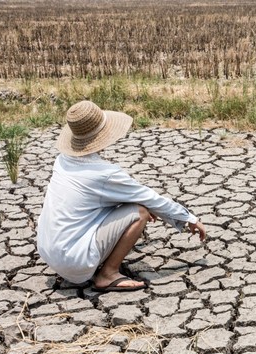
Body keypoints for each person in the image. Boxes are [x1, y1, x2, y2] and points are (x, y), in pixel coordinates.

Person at [37, 100, 206, 292]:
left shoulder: (62, 160)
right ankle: (108, 274)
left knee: (134, 204)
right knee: (140, 211)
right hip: (74, 261)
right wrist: (189, 218)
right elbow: (150, 198)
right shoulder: (103, 173)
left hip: (49, 252)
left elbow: (93, 199)